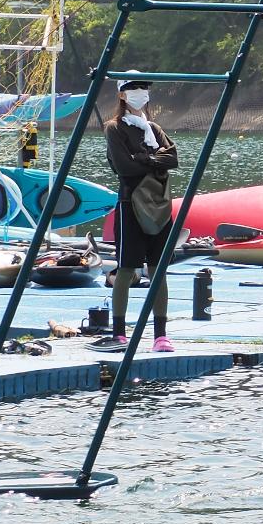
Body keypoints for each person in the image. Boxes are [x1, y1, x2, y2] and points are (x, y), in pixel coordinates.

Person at [99, 76, 179, 353]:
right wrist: (151, 161)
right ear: (121, 95)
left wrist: (142, 159)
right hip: (130, 203)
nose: (140, 93)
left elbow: (173, 158)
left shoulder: (153, 128)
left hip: (158, 203)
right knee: (126, 268)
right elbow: (124, 167)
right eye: (133, 89)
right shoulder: (114, 128)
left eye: (143, 89)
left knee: (158, 269)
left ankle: (160, 334)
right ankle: (119, 332)